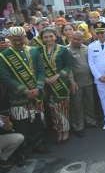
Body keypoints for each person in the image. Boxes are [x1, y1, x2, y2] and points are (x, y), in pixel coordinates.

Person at [0, 26, 48, 155]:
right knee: (22, 125)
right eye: (14, 39)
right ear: (9, 38)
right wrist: (24, 91)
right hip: (18, 97)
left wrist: (38, 87)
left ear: (24, 37)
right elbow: (5, 77)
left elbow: (41, 71)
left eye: (20, 39)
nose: (17, 42)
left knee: (38, 121)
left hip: (37, 94)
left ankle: (39, 144)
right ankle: (24, 150)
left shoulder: (34, 51)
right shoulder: (4, 56)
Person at [39, 27, 73, 143]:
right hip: (47, 85)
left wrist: (57, 76)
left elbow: (69, 66)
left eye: (51, 36)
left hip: (61, 83)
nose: (48, 39)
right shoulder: (39, 51)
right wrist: (44, 78)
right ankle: (59, 130)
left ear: (55, 37)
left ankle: (66, 130)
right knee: (52, 109)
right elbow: (37, 68)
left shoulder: (63, 50)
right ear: (42, 39)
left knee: (62, 108)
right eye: (45, 37)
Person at [68, 31, 97, 136]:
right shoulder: (66, 50)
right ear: (71, 38)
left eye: (79, 39)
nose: (77, 41)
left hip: (88, 80)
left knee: (89, 102)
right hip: (76, 82)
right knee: (77, 104)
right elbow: (68, 68)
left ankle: (90, 121)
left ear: (82, 39)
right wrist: (71, 81)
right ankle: (78, 126)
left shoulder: (86, 48)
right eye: (74, 39)